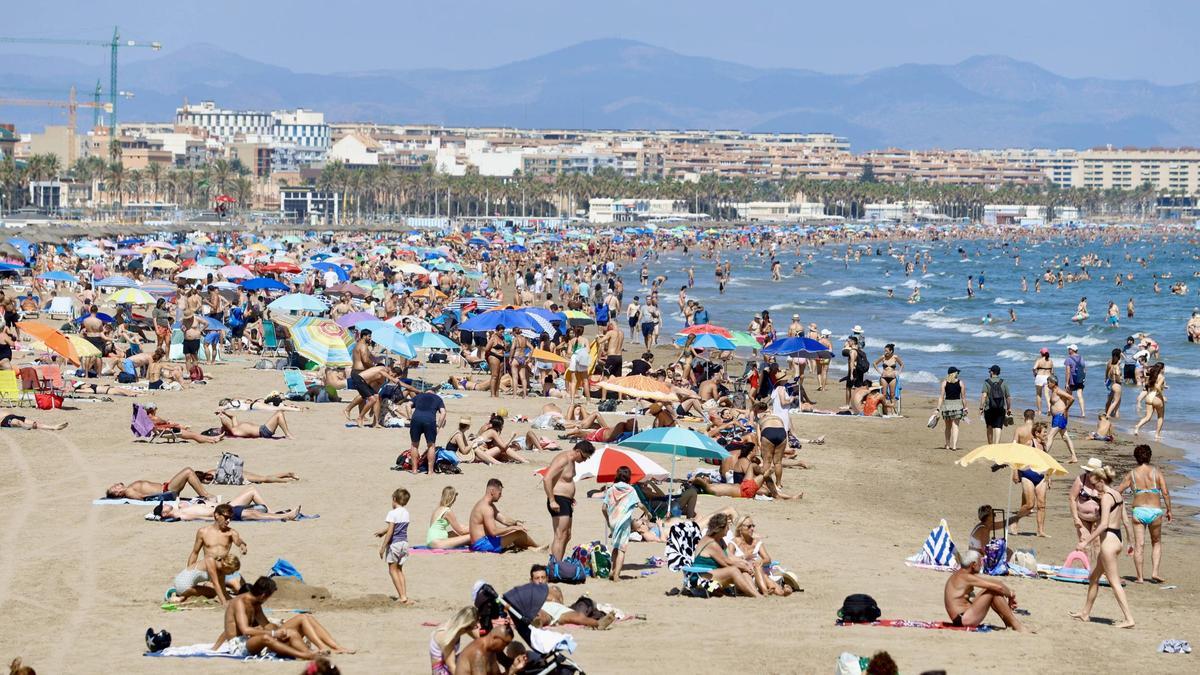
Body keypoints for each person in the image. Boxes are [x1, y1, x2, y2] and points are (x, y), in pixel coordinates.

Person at [212, 576, 352, 659]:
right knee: (268, 637)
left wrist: (281, 628)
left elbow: (266, 625)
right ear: (263, 595)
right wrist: (273, 633)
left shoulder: (256, 603)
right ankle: (306, 655)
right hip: (240, 646)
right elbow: (245, 630)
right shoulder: (240, 602)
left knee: (303, 618)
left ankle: (331, 647)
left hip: (255, 639)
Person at [1070, 462, 1135, 629]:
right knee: (1093, 578)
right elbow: (1126, 521)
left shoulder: (1106, 497)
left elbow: (1103, 524)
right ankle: (1085, 613)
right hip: (1117, 539)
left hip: (1109, 542)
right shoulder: (1117, 494)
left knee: (1114, 582)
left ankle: (1129, 619)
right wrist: (1130, 542)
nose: (1093, 487)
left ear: (1101, 480)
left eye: (1094, 483)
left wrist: (1086, 541)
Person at [1116, 445, 1172, 583]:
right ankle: (1154, 572)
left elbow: (1119, 490)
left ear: (1136, 458)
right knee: (1156, 542)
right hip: (1155, 511)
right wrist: (1169, 509)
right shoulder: (1156, 472)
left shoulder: (1132, 474)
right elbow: (1165, 492)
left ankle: (1140, 577)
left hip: (1139, 511)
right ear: (1150, 456)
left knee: (1139, 544)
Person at [943, 550, 1028, 632]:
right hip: (963, 619)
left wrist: (1009, 592)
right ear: (973, 564)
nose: (982, 565)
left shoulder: (962, 574)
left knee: (992, 589)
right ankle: (1016, 625)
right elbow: (999, 588)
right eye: (980, 562)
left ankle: (1009, 623)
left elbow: (995, 583)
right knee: (993, 591)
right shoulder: (965, 577)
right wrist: (1011, 595)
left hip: (962, 616)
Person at [186, 502, 248, 605]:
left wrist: (242, 545)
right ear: (216, 515)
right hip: (210, 570)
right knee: (214, 588)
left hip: (224, 568)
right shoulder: (203, 532)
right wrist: (188, 573)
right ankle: (214, 587)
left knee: (240, 589)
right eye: (226, 517)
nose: (228, 521)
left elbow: (238, 541)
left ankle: (219, 588)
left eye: (230, 518)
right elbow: (195, 553)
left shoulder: (231, 532)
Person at [543, 440, 595, 561]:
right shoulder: (563, 459)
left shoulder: (572, 461)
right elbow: (547, 479)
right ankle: (555, 565)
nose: (585, 460)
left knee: (567, 535)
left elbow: (564, 480)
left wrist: (570, 497)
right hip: (557, 499)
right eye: (584, 457)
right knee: (560, 535)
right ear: (577, 451)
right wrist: (552, 500)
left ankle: (558, 562)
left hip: (565, 500)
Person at [689, 513, 761, 597]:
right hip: (701, 579)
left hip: (713, 574)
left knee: (743, 570)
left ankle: (755, 593)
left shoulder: (719, 540)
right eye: (727, 526)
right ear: (720, 528)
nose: (728, 529)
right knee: (733, 570)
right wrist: (744, 566)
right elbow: (726, 563)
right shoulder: (712, 543)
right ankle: (756, 595)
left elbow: (730, 556)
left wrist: (745, 563)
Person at [468, 479, 538, 553]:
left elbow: (504, 520)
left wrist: (516, 523)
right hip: (482, 545)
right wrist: (513, 528)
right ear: (492, 491)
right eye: (499, 493)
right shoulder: (487, 508)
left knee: (515, 532)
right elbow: (493, 532)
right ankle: (537, 547)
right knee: (519, 533)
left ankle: (531, 547)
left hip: (483, 542)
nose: (501, 496)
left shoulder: (486, 504)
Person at [1008, 422, 1051, 537]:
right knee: (1030, 504)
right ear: (1037, 433)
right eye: (1044, 432)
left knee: (1041, 505)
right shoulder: (1029, 443)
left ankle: (1040, 531)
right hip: (1028, 475)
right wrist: (1015, 472)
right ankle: (1015, 520)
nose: (1046, 434)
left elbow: (1046, 462)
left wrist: (1049, 476)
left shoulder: (1044, 445)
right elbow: (1018, 457)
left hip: (1041, 476)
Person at [731, 515, 792, 596]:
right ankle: (767, 591)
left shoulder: (756, 542)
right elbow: (728, 559)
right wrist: (744, 560)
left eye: (753, 526)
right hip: (743, 574)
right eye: (749, 526)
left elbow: (767, 559)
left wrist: (759, 562)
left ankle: (781, 592)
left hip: (756, 573)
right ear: (740, 528)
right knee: (760, 574)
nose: (752, 529)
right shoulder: (733, 542)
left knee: (759, 568)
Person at [161, 489, 300, 522]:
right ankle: (286, 516)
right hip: (222, 512)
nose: (166, 504)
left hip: (224, 505)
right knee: (252, 514)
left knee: (252, 491)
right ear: (164, 514)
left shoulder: (181, 507)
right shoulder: (183, 515)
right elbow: (204, 519)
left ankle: (273, 512)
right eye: (163, 507)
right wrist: (222, 519)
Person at [601, 465, 640, 582]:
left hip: (613, 521)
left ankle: (612, 571)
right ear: (628, 477)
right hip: (623, 523)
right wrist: (648, 513)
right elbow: (640, 504)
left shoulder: (611, 489)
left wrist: (608, 519)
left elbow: (603, 508)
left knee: (615, 547)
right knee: (622, 549)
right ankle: (617, 575)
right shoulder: (630, 490)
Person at [375, 488, 411, 604]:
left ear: (394, 499)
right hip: (404, 543)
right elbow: (397, 527)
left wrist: (383, 547)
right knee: (399, 569)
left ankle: (402, 597)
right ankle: (404, 594)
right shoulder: (406, 512)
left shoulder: (392, 513)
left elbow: (391, 531)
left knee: (392, 570)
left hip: (394, 544)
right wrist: (383, 531)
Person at [167, 553, 243, 605]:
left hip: (180, 582)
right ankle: (180, 598)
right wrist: (224, 603)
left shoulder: (221, 572)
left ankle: (180, 595)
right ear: (226, 566)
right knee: (213, 593)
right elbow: (216, 584)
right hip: (183, 584)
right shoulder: (211, 561)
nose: (232, 574)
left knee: (215, 592)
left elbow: (223, 591)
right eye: (232, 571)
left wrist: (233, 601)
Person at [106, 467, 214, 501]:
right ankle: (206, 495)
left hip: (166, 488)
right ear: (118, 494)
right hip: (166, 491)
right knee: (188, 471)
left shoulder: (129, 488)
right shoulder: (128, 491)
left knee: (190, 473)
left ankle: (204, 494)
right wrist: (162, 496)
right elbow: (143, 498)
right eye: (114, 488)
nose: (115, 485)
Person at [409, 388, 447, 475]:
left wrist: (410, 418)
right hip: (430, 421)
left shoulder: (418, 396)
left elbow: (408, 405)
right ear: (434, 392)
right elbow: (443, 412)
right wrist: (438, 425)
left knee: (414, 445)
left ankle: (414, 470)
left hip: (416, 419)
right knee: (431, 446)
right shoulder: (437, 398)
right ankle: (430, 471)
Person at [144, 402, 224, 443]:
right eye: (155, 409)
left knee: (192, 433)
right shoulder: (155, 418)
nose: (156, 410)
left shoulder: (148, 418)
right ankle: (212, 440)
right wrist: (170, 423)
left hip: (165, 431)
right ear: (152, 409)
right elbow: (164, 422)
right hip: (169, 432)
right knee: (194, 436)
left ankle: (213, 438)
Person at [430, 606, 477, 675]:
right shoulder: (448, 636)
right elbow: (451, 666)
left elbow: (480, 638)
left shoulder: (456, 624)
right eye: (474, 627)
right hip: (441, 671)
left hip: (448, 663)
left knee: (476, 652)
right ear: (466, 627)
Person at [1044, 376, 1078, 463]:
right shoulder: (1054, 391)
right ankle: (1074, 457)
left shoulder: (1058, 391)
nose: (1047, 384)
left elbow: (1071, 398)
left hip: (1060, 417)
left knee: (1050, 436)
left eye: (1048, 382)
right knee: (1065, 437)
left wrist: (1066, 409)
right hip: (1057, 417)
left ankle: (1043, 456)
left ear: (1053, 383)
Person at [935, 367, 966, 451]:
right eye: (957, 373)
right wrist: (965, 408)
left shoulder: (944, 383)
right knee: (955, 426)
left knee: (948, 427)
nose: (958, 374)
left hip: (947, 406)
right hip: (957, 406)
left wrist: (938, 408)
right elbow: (963, 398)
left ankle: (948, 445)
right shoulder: (961, 383)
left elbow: (941, 397)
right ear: (954, 373)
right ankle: (954, 446)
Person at [1132, 362, 1165, 440]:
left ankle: (1137, 427)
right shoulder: (1161, 377)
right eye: (1164, 368)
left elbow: (1148, 385)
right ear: (1161, 369)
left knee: (1148, 417)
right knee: (1160, 417)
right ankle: (1157, 434)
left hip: (1149, 397)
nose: (1164, 369)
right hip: (1156, 397)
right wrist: (1162, 396)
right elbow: (1157, 386)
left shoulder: (1151, 375)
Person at [978, 365, 1011, 444]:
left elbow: (984, 395)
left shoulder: (987, 382)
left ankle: (990, 444)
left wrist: (981, 407)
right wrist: (1009, 408)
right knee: (998, 426)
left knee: (989, 426)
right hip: (1000, 407)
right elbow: (1008, 397)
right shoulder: (1003, 382)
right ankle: (996, 444)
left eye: (990, 371)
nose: (989, 372)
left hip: (989, 408)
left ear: (992, 372)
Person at [215, 409, 291, 439]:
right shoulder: (235, 432)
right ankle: (288, 435)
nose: (220, 427)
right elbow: (226, 425)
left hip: (263, 429)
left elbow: (233, 417)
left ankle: (288, 435)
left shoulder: (235, 427)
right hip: (263, 431)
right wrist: (221, 417)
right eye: (220, 429)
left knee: (279, 413)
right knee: (279, 413)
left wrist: (224, 413)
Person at [1064, 344, 1086, 417]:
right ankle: (1083, 413)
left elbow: (1068, 372)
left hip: (1072, 380)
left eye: (1069, 349)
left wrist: (1067, 383)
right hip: (1080, 380)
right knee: (1080, 395)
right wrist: (1083, 378)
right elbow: (1084, 369)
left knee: (1068, 396)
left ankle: (1066, 411)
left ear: (1072, 350)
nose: (1068, 350)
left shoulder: (1068, 359)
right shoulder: (1081, 358)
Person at [1032, 348, 1054, 414]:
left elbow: (1034, 368)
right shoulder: (1050, 361)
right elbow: (1052, 372)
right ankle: (1049, 409)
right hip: (1048, 377)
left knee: (1038, 394)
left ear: (1041, 353)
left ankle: (1039, 411)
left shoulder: (1039, 360)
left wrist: (1035, 374)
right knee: (1047, 394)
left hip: (1040, 377)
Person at [1103, 348, 1124, 418]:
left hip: (1112, 382)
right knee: (1115, 401)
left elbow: (1108, 371)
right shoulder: (1115, 364)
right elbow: (1117, 375)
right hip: (1113, 382)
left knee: (1112, 400)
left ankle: (1112, 414)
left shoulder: (1113, 363)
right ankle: (1108, 414)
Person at [0, 414, 68, 431]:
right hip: (4, 420)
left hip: (12, 415)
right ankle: (27, 426)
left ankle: (53, 427)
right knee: (19, 422)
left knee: (36, 423)